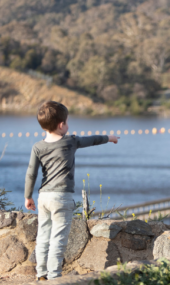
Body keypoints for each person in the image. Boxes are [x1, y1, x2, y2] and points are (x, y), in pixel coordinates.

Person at [24, 101, 119, 281]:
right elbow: (92, 140)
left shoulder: (37, 147)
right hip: (62, 197)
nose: (68, 125)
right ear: (61, 125)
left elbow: (31, 173)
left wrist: (28, 196)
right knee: (58, 238)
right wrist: (110, 137)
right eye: (67, 122)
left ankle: (41, 274)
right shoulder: (70, 141)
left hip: (43, 196)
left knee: (43, 236)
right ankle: (54, 277)